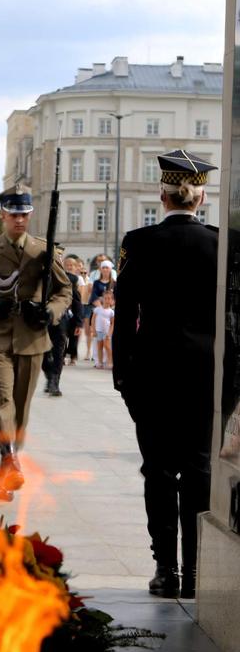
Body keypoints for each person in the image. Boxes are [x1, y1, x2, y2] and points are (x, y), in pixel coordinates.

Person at [113, 149, 218, 599]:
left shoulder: (138, 243)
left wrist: (122, 378)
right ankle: (197, 572)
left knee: (158, 472)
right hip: (203, 373)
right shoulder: (222, 242)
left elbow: (124, 316)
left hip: (152, 374)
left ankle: (166, 570)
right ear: (201, 197)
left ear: (163, 194)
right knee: (199, 471)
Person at [0, 188, 72, 500]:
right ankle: (9, 459)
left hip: (32, 337)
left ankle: (5, 465)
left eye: (24, 214)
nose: (19, 219)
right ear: (3, 215)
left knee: (21, 410)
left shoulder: (44, 250)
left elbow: (64, 292)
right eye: (13, 214)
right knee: (1, 400)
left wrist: (49, 312)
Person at [42, 250, 82, 396]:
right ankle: (49, 374)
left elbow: (77, 302)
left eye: (59, 256)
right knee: (43, 352)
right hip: (43, 319)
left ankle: (55, 382)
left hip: (61, 319)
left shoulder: (71, 279)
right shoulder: (41, 274)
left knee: (59, 352)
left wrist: (78, 323)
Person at [91, 289, 114, 369]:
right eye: (105, 298)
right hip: (98, 331)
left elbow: (112, 323)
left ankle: (110, 362)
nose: (107, 300)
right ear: (102, 299)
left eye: (109, 298)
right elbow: (93, 320)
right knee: (99, 347)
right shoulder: (97, 309)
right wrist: (93, 330)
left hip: (107, 332)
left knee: (107, 347)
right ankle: (99, 363)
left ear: (112, 300)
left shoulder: (111, 312)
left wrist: (110, 333)